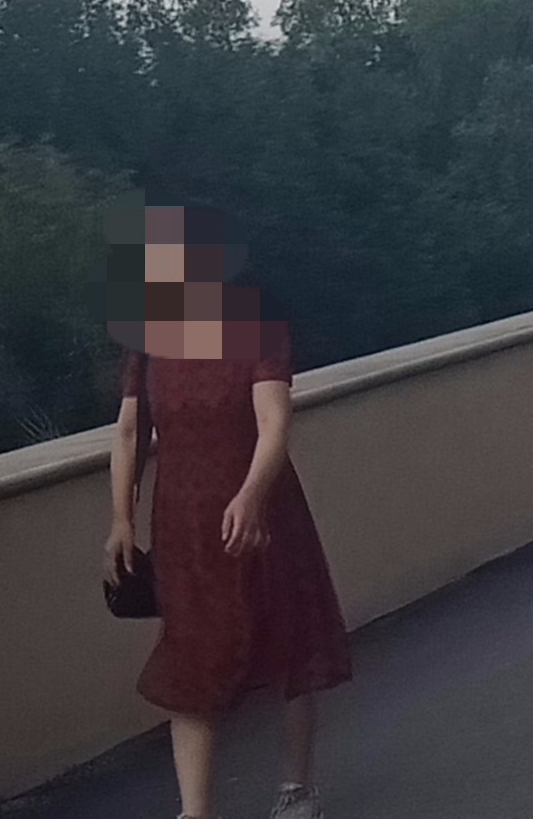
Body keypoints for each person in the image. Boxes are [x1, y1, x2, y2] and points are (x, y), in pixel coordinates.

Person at [103, 204, 351, 819]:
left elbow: (274, 421)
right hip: (184, 524)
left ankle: (295, 788)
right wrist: (121, 519)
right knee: (190, 659)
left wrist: (251, 494)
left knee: (289, 641)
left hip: (262, 515)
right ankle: (196, 812)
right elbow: (130, 432)